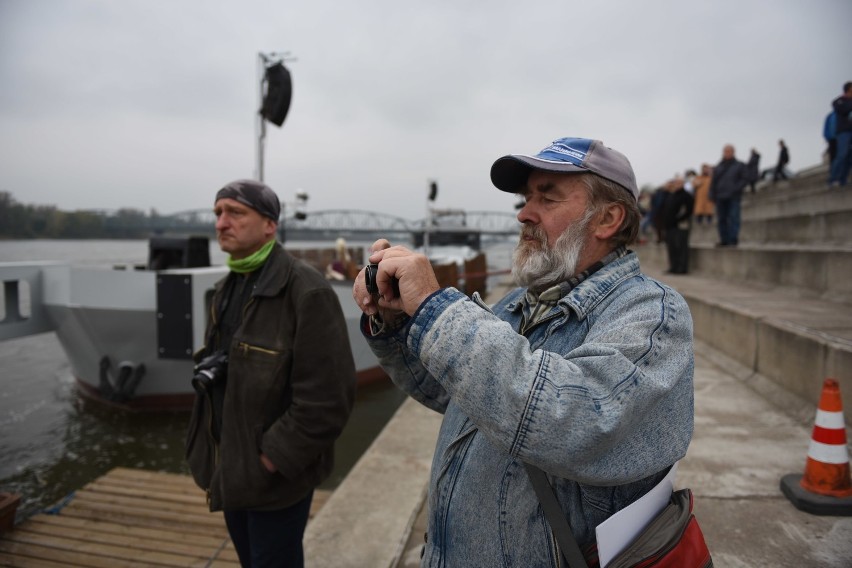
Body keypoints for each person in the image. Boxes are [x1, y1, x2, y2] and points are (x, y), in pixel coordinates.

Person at [353, 137, 694, 566]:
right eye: (526, 197)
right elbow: (451, 392)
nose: (524, 214)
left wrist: (436, 310)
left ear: (607, 218)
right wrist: (399, 321)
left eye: (546, 198)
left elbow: (574, 420)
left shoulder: (653, 313)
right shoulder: (519, 303)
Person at [185, 179, 356, 567]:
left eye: (235, 213)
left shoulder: (306, 291)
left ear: (269, 225)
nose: (221, 223)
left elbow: (329, 399)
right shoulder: (227, 288)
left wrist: (272, 458)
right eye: (217, 213)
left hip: (275, 479)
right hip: (230, 467)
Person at [708, 144, 760, 247]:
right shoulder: (718, 167)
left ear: (733, 152)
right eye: (725, 151)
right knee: (721, 219)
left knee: (734, 217)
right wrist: (712, 195)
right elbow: (713, 182)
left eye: (729, 151)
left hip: (733, 196)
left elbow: (745, 179)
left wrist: (736, 189)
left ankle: (733, 239)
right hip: (720, 196)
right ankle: (724, 239)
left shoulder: (739, 165)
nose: (727, 153)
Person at [659, 177, 695, 274]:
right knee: (672, 247)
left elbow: (689, 211)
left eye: (679, 183)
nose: (677, 185)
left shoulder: (686, 196)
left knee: (681, 247)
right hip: (670, 226)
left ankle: (682, 268)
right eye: (675, 183)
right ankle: (673, 267)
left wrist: (678, 219)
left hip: (681, 226)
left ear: (682, 184)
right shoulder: (671, 196)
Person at [828, 81, 852, 187]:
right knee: (842, 155)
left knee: (849, 157)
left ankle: (843, 179)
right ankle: (833, 179)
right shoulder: (839, 101)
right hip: (843, 132)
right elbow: (843, 109)